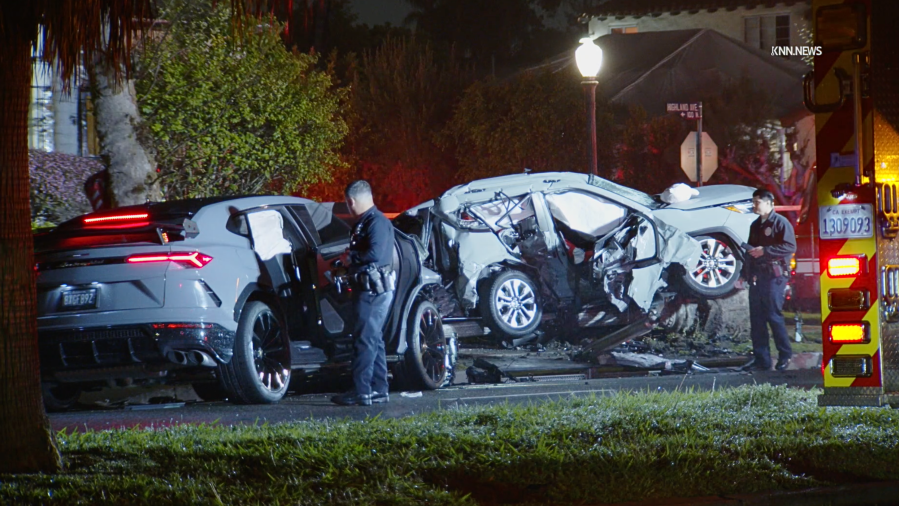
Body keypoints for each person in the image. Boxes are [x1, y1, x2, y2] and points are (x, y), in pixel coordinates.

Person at [331, 180, 396, 406]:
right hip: (370, 288)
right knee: (373, 339)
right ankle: (378, 389)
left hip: (373, 290)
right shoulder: (369, 222)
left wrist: (351, 258)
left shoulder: (376, 222)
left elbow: (376, 253)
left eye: (348, 203)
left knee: (363, 340)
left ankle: (361, 391)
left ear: (351, 201)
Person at [741, 188, 797, 372]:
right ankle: (761, 359)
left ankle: (785, 355)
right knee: (757, 319)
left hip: (775, 276)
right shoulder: (755, 225)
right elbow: (749, 253)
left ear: (770, 203)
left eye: (758, 202)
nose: (754, 205)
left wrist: (765, 251)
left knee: (773, 316)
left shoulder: (780, 223)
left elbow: (790, 246)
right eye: (753, 202)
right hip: (758, 276)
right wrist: (744, 275)